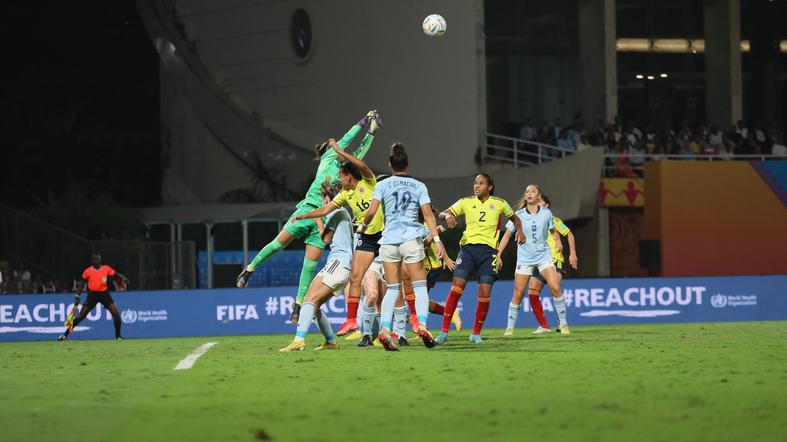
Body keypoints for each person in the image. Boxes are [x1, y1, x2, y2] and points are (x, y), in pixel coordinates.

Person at [236, 111, 382, 325]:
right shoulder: (328, 159)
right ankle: (249, 270)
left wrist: (371, 131)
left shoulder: (345, 171)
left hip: (323, 217)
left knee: (309, 266)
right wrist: (361, 121)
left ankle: (297, 305)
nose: (341, 149)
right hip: (307, 210)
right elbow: (347, 140)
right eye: (334, 147)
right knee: (278, 244)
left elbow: (360, 151)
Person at [358, 143, 446, 351]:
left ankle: (386, 331)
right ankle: (422, 325)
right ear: (408, 164)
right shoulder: (418, 186)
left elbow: (371, 212)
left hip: (388, 242)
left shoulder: (382, 185)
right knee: (418, 287)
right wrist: (436, 239)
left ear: (390, 165)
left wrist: (363, 226)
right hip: (410, 241)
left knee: (392, 289)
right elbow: (426, 214)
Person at [293, 139, 385, 336]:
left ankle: (396, 331)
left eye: (340, 176)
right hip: (366, 238)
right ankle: (351, 321)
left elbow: (361, 165)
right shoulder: (345, 194)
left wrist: (338, 151)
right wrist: (304, 215)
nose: (338, 179)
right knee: (355, 278)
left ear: (348, 176)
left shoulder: (368, 182)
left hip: (384, 236)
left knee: (393, 287)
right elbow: (326, 208)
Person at [435, 174, 525, 344]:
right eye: (475, 183)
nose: (476, 186)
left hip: (489, 253)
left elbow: (515, 219)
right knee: (456, 288)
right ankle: (444, 331)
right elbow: (443, 213)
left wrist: (519, 231)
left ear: (489, 186)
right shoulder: (466, 201)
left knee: (484, 294)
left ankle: (475, 333)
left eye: (481, 183)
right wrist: (447, 216)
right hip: (468, 251)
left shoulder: (499, 203)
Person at [279, 182, 354, 352]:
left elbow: (325, 239)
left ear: (328, 199)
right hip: (341, 264)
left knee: (310, 299)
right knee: (314, 304)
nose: (322, 204)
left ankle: (298, 341)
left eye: (322, 200)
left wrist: (317, 219)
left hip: (339, 263)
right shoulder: (342, 213)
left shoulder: (336, 212)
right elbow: (328, 238)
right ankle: (330, 341)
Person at [497, 185, 571, 336]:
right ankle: (509, 328)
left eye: (533, 191)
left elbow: (553, 231)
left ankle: (564, 324)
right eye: (527, 191)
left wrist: (557, 241)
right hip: (525, 259)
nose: (529, 193)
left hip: (544, 257)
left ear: (539, 196)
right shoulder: (517, 215)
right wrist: (498, 254)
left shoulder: (546, 213)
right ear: (525, 196)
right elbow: (506, 236)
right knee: (518, 293)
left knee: (555, 287)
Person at [58, 253, 130, 341]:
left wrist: (123, 278)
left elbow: (116, 274)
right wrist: (77, 295)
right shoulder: (87, 271)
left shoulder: (106, 268)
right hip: (92, 295)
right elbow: (81, 285)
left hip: (104, 294)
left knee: (116, 315)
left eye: (98, 258)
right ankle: (65, 335)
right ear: (92, 261)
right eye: (95, 259)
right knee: (81, 316)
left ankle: (118, 336)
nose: (97, 260)